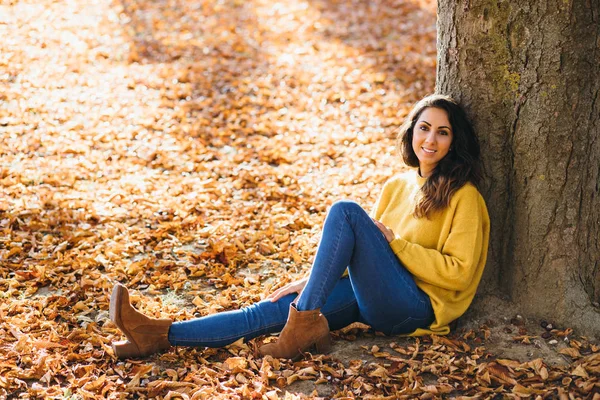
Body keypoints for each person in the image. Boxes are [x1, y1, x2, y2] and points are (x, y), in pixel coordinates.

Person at [109, 94, 490, 359]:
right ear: (412, 132)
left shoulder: (464, 197)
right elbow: (365, 254)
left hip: (415, 309)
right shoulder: (398, 185)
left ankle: (304, 324)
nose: (431, 139)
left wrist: (399, 246)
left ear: (454, 142)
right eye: (425, 128)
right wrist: (314, 283)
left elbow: (458, 274)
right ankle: (157, 335)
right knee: (268, 311)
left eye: (443, 132)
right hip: (375, 296)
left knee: (345, 211)